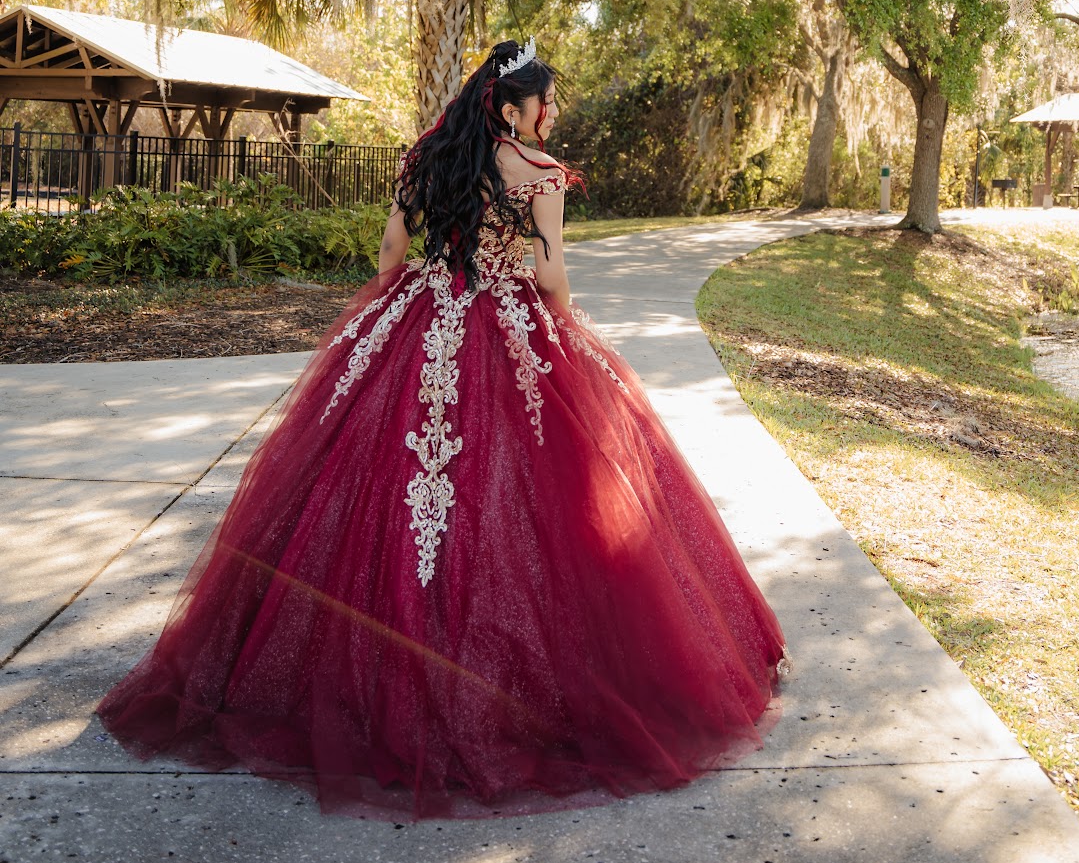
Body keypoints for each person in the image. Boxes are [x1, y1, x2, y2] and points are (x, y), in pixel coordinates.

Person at [98, 40, 787, 818]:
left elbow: (391, 252)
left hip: (419, 315)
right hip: (510, 322)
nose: (551, 112)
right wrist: (562, 332)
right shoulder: (539, 173)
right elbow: (550, 276)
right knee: (528, 493)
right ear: (511, 106)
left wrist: (403, 309)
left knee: (370, 485)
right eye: (544, 100)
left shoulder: (425, 160)